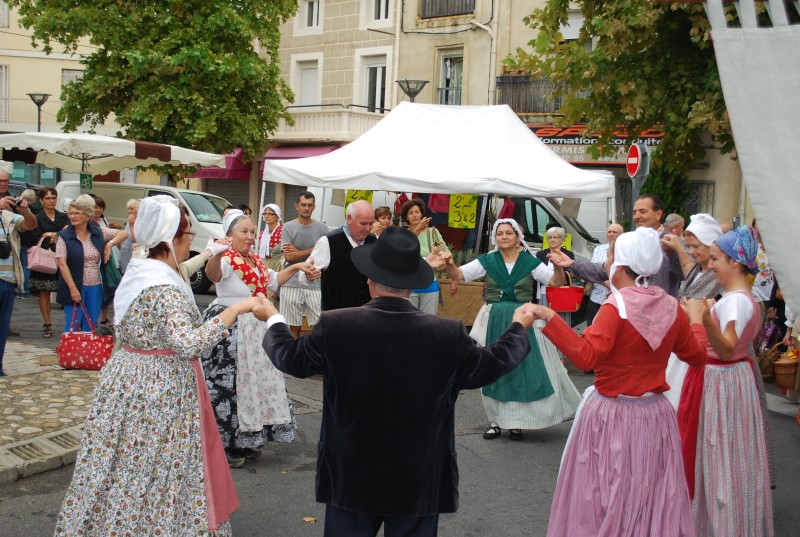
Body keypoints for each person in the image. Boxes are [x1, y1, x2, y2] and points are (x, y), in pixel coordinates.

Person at [260, 225, 536, 537]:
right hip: (419, 477)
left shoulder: (337, 326)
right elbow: (494, 363)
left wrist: (273, 317)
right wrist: (518, 326)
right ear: (411, 286)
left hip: (351, 474)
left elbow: (290, 358)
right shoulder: (447, 334)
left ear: (369, 280)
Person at [54, 196, 259, 536]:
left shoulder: (142, 268)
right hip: (158, 390)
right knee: (155, 462)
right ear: (168, 238)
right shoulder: (163, 286)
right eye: (187, 232)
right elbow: (187, 343)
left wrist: (210, 254)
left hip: (128, 378)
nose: (190, 237)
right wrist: (234, 311)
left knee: (123, 463)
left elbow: (181, 275)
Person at [528, 227, 708, 536]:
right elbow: (697, 356)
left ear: (620, 264)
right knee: (650, 494)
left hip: (612, 413)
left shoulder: (615, 307)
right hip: (654, 414)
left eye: (611, 255)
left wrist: (548, 315)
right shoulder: (670, 307)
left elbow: (586, 358)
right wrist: (695, 320)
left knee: (604, 494)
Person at [443, 219, 581, 440]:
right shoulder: (488, 261)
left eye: (509, 233)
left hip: (522, 320)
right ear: (495, 238)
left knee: (519, 370)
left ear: (517, 237)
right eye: (500, 234)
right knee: (494, 370)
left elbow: (555, 282)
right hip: (495, 320)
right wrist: (450, 263)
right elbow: (458, 275)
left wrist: (557, 267)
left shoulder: (529, 262)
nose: (504, 237)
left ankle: (516, 423)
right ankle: (496, 421)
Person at [676, 226, 773, 536]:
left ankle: (720, 523)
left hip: (723, 378)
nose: (711, 264)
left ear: (734, 262)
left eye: (716, 258)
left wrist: (701, 319)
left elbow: (728, 347)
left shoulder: (736, 301)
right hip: (731, 377)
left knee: (719, 453)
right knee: (727, 453)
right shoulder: (738, 298)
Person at [202, 209, 317, 468]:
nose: (249, 236)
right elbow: (214, 276)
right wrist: (216, 252)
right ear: (229, 235)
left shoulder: (255, 260)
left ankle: (251, 439)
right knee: (232, 386)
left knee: (258, 385)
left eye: (252, 232)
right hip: (231, 326)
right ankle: (229, 443)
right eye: (244, 231)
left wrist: (297, 265)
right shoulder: (226, 259)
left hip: (257, 326)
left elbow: (274, 281)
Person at [557, 194, 685, 297]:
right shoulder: (630, 241)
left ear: (658, 214)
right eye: (635, 212)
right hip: (632, 312)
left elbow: (686, 275)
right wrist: (572, 264)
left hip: (661, 316)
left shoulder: (672, 242)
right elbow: (605, 269)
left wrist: (673, 253)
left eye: (642, 211)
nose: (637, 216)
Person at [55, 195, 127, 333]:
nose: (72, 216)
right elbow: (62, 263)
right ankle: (72, 353)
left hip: (95, 286)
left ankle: (88, 353)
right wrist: (73, 288)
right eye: (70, 213)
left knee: (91, 323)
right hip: (74, 284)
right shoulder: (64, 235)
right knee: (73, 324)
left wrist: (109, 245)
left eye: (77, 213)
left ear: (88, 216)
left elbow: (123, 234)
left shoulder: (97, 232)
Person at [304, 200, 376, 312]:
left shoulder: (374, 240)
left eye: (371, 223)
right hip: (336, 317)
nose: (368, 228)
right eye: (363, 224)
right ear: (349, 219)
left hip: (367, 315)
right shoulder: (327, 242)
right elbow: (304, 274)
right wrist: (308, 276)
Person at [280, 191, 329, 337]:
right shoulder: (288, 227)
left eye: (310, 205)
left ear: (314, 207)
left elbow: (324, 256)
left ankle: (313, 358)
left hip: (315, 281)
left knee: (319, 326)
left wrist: (298, 252)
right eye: (303, 205)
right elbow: (289, 257)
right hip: (291, 282)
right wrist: (314, 249)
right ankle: (293, 358)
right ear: (296, 206)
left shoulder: (322, 228)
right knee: (293, 328)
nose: (306, 208)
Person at [0, 191, 37, 375]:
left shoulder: (8, 215)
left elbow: (30, 225)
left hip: (8, 279)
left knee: (2, 326)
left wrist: (26, 212)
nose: (3, 185)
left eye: (5, 182)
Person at [30, 187, 68, 338]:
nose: (51, 200)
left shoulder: (64, 217)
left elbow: (68, 234)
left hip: (62, 257)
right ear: (41, 200)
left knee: (65, 289)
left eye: (53, 197)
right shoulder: (37, 217)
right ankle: (47, 323)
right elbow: (35, 238)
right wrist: (55, 236)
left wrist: (51, 235)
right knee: (44, 290)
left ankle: (70, 323)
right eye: (47, 198)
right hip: (44, 257)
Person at [401, 198, 450, 315]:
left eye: (417, 212)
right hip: (408, 285)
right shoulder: (402, 234)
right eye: (410, 213)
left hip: (430, 283)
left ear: (422, 214)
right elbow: (402, 251)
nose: (414, 215)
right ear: (406, 217)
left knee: (428, 323)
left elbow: (447, 252)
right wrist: (418, 229)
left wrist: (442, 255)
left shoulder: (432, 232)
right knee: (408, 322)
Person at [585, 223, 623, 325]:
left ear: (621, 235)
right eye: (609, 232)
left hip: (617, 301)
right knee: (592, 328)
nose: (611, 234)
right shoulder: (599, 249)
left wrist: (614, 287)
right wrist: (608, 284)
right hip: (597, 297)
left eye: (615, 232)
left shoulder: (626, 251)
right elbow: (593, 271)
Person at [257, 203, 284, 272]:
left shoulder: (283, 232)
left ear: (277, 217)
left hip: (278, 267)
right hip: (264, 266)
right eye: (265, 213)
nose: (266, 216)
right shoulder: (263, 234)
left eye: (270, 214)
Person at [118, 198, 140, 273]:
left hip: (131, 256)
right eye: (128, 209)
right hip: (124, 253)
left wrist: (131, 225)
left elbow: (136, 241)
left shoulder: (137, 222)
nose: (129, 211)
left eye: (132, 209)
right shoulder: (130, 220)